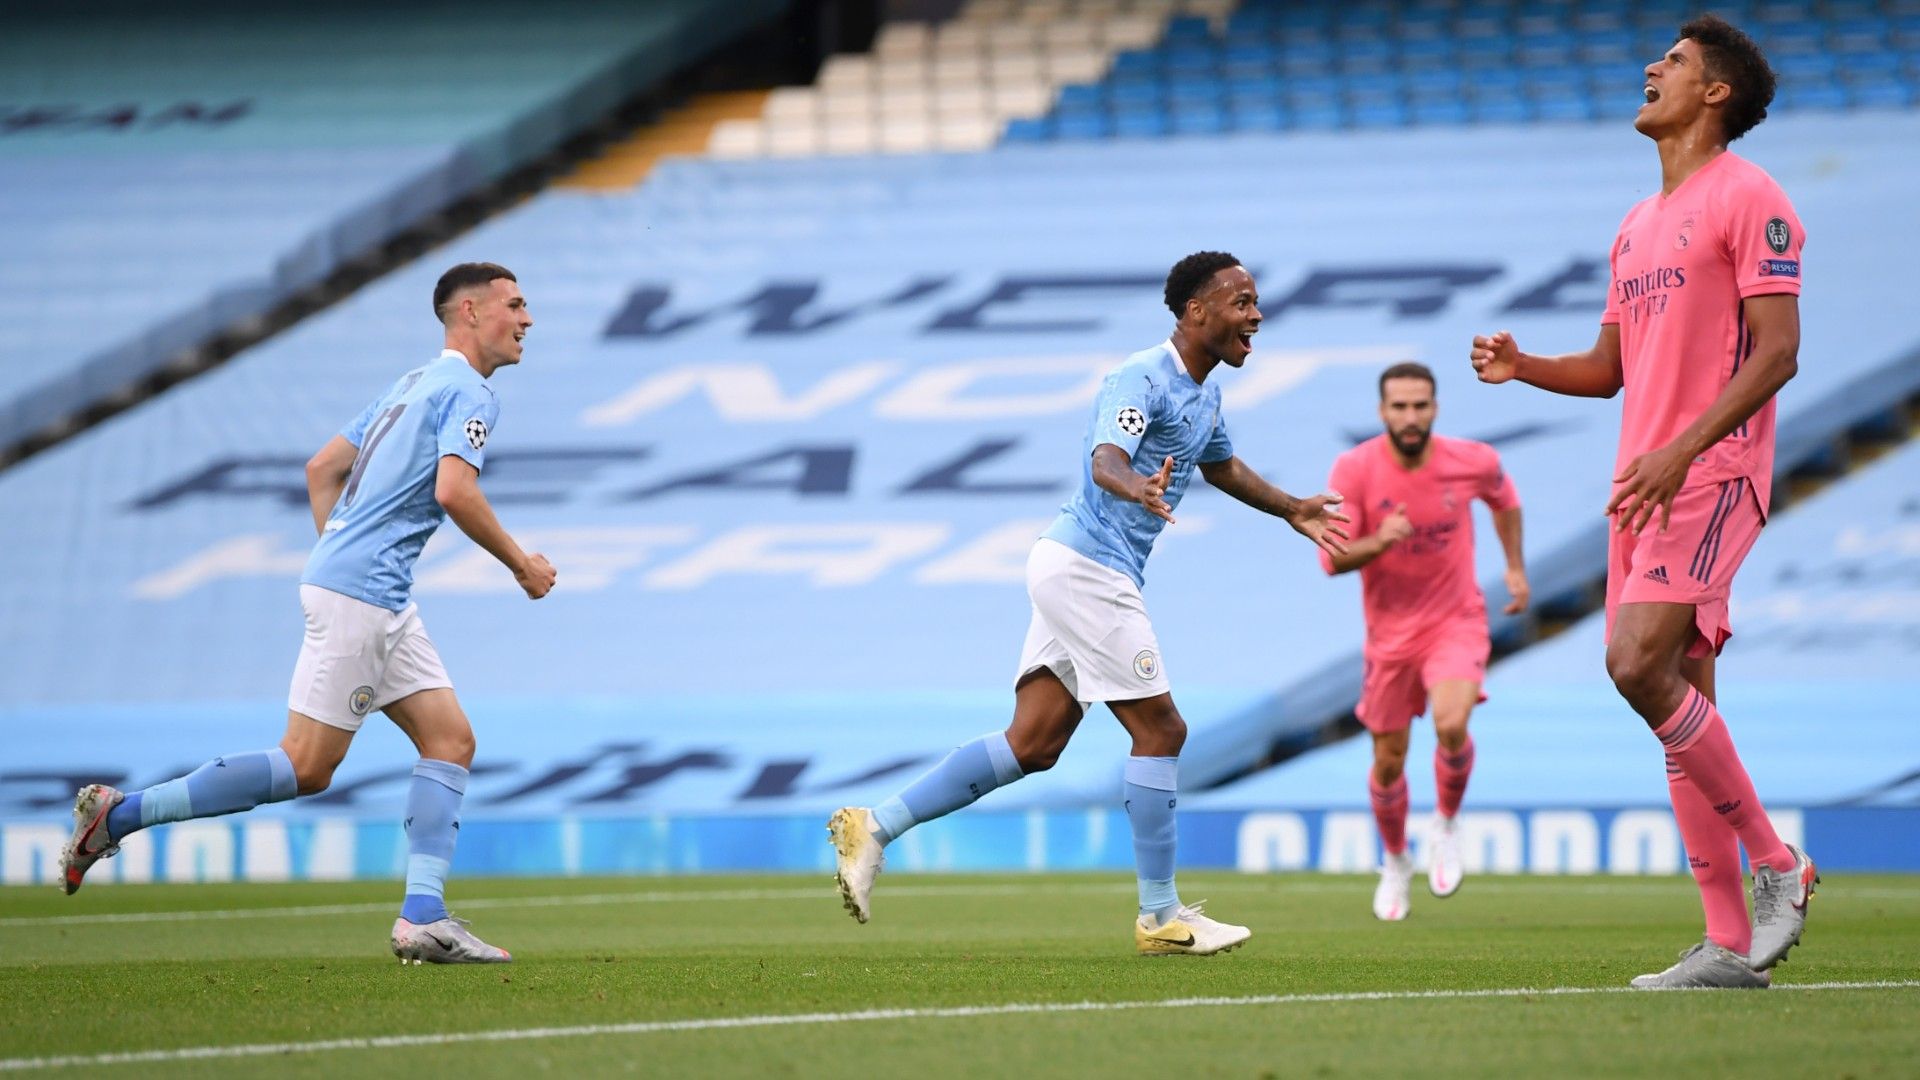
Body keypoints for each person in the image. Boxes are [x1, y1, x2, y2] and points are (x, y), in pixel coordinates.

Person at [829, 251, 1350, 956]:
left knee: (1033, 744)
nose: (1256, 315)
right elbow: (1108, 457)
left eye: (1255, 302)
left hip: (1080, 568)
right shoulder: (1142, 376)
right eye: (1241, 301)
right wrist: (1134, 485)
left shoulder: (1206, 393)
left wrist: (1291, 508)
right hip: (1087, 569)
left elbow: (1219, 464)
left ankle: (875, 825)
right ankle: (1160, 917)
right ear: (1196, 313)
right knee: (1162, 731)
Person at [58, 262, 557, 965]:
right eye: (516, 304)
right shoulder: (469, 393)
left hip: (372, 590)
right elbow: (454, 491)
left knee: (450, 739)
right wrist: (521, 565)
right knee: (306, 765)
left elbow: (320, 469)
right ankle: (121, 814)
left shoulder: (411, 384)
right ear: (469, 312)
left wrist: (340, 551)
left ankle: (423, 916)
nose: (528, 318)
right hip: (363, 594)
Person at [1469, 15, 1815, 989]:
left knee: (1635, 663)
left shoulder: (1752, 197)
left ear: (1716, 94)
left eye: (1675, 62)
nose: (1652, 68)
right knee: (1681, 700)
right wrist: (1524, 365)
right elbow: (1610, 369)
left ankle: (1780, 870)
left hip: (1711, 472)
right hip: (1644, 486)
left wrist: (1685, 448)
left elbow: (1781, 351)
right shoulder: (1636, 225)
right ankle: (1727, 946)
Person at [1322, 362, 1527, 921]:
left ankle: (1446, 824)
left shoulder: (1473, 461)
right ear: (1382, 411)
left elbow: (1504, 500)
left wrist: (1514, 568)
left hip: (1455, 621)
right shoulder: (1355, 469)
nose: (1410, 417)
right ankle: (1394, 860)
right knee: (1389, 761)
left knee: (1451, 723)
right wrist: (1379, 540)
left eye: (1420, 406)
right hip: (1389, 637)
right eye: (1399, 407)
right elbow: (1331, 558)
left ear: (1435, 408)